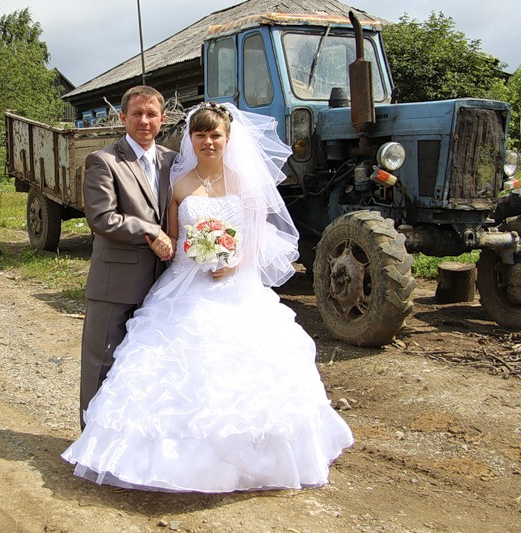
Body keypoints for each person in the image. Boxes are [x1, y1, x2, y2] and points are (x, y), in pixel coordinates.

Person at [63, 102, 353, 492]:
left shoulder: (244, 183)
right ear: (190, 138)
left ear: (228, 139)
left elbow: (257, 234)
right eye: (200, 135)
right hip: (185, 284)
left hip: (235, 286)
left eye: (215, 135)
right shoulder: (180, 184)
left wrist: (234, 261)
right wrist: (191, 251)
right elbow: (171, 237)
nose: (208, 142)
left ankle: (250, 458)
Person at [79, 86, 177, 428]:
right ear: (123, 118)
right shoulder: (103, 161)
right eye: (137, 114)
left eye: (152, 115)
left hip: (163, 285)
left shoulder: (172, 161)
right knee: (102, 363)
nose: (144, 121)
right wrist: (150, 230)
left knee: (144, 365)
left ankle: (129, 441)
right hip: (116, 284)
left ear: (163, 120)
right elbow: (102, 218)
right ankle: (90, 438)